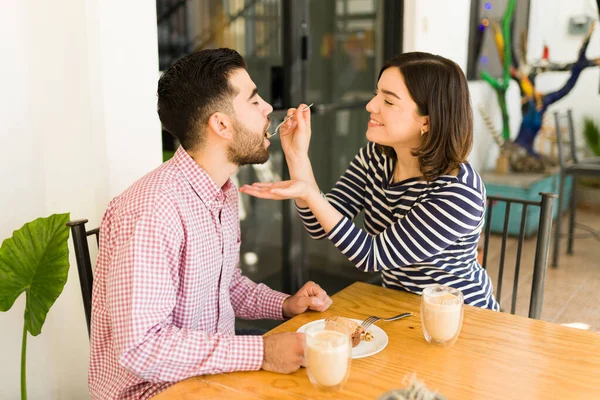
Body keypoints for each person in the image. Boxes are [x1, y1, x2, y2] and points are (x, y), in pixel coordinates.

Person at [88, 48, 333, 400]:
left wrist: (284, 305)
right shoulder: (151, 211)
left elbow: (223, 286)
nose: (267, 108)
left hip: (212, 381)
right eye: (253, 101)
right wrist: (262, 352)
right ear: (220, 124)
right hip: (155, 393)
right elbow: (141, 347)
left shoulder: (222, 191)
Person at [240, 52, 500, 311]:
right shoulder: (376, 158)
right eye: (377, 93)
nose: (371, 105)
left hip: (462, 317)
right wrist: (296, 156)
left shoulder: (457, 192)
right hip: (399, 309)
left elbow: (371, 256)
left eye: (388, 101)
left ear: (427, 122)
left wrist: (309, 193)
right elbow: (319, 225)